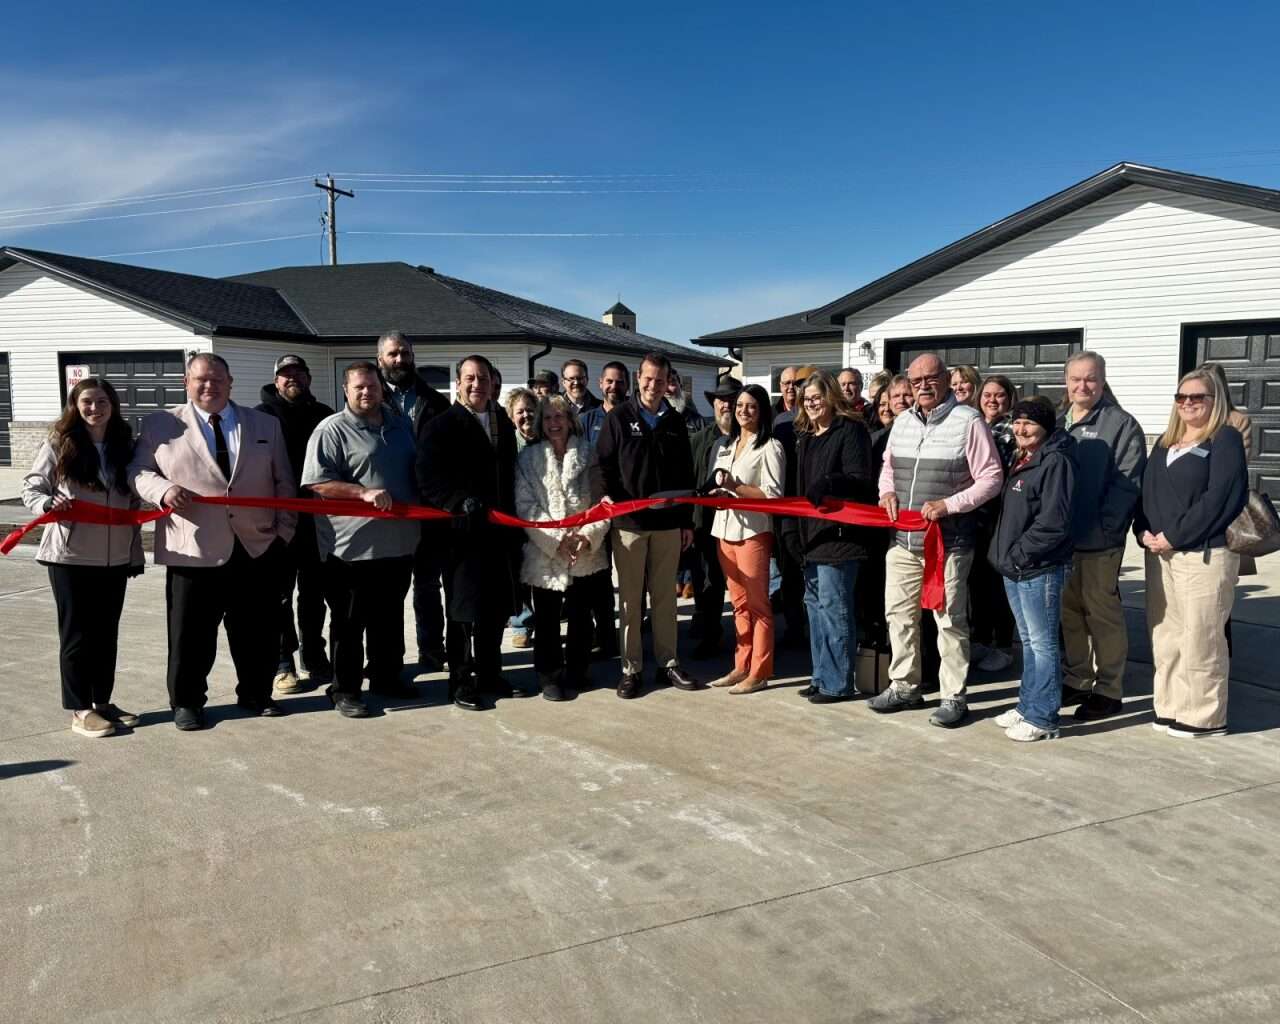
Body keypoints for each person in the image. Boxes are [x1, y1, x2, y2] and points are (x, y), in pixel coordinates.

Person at [129, 353, 296, 730]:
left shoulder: (264, 423)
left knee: (258, 631)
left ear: (230, 382)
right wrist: (163, 489)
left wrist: (283, 532)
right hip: (194, 549)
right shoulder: (162, 425)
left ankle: (256, 693)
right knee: (191, 635)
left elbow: (284, 480)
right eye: (201, 379)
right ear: (187, 383)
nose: (210, 385)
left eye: (218, 379)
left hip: (255, 545)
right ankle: (187, 702)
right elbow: (136, 470)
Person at [868, 353, 1003, 728]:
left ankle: (953, 696)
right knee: (899, 616)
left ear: (945, 379)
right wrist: (886, 494)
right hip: (903, 540)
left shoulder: (968, 420)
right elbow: (888, 470)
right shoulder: (903, 423)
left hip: (949, 541)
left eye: (931, 378)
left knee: (949, 621)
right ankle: (904, 686)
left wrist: (950, 505)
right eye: (916, 381)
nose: (923, 386)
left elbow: (991, 478)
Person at [23, 377, 144, 738]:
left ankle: (102, 701)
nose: (95, 408)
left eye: (102, 401)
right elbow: (32, 486)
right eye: (87, 402)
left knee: (107, 634)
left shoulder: (126, 445)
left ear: (113, 405)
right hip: (70, 555)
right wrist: (47, 504)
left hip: (114, 556)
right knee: (76, 635)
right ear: (75, 406)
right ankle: (79, 709)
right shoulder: (60, 443)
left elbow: (134, 494)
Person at [301, 362, 419, 717]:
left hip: (398, 544)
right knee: (349, 623)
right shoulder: (331, 430)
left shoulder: (401, 425)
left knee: (389, 617)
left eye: (372, 386)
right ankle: (344, 689)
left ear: (382, 388)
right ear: (346, 391)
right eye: (359, 388)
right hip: (350, 548)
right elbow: (316, 483)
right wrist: (361, 493)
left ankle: (386, 676)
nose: (367, 392)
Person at [1136, 368, 1248, 738]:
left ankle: (1204, 716)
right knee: (1166, 635)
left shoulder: (1224, 439)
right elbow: (1146, 492)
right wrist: (1143, 530)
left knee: (1201, 636)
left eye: (1197, 397)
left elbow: (1219, 498)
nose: (1188, 404)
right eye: (1181, 397)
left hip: (1203, 554)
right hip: (1160, 554)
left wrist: (1176, 535)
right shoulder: (1166, 442)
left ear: (1215, 401)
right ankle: (1169, 707)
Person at [591, 351, 702, 698]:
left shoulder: (675, 421)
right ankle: (631, 668)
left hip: (668, 524)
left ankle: (668, 663)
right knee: (630, 600)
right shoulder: (619, 418)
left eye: (660, 380)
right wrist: (604, 495)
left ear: (669, 381)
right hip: (629, 525)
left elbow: (686, 473)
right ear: (639, 378)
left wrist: (686, 522)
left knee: (666, 598)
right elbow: (601, 465)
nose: (654, 386)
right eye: (648, 379)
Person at [418, 355, 523, 711]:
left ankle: (491, 673)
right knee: (463, 612)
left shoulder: (503, 423)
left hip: (499, 534)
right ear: (458, 384)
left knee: (494, 610)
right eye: (469, 378)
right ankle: (461, 681)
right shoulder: (441, 425)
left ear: (493, 383)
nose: (477, 384)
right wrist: (458, 502)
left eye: (483, 378)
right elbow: (428, 479)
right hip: (461, 535)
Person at [1058, 351, 1147, 722]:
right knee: (1070, 614)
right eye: (1076, 379)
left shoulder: (1121, 425)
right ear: (1067, 382)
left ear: (1103, 380)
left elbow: (1128, 485)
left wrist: (1107, 529)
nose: (1083, 386)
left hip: (1099, 544)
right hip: (1061, 542)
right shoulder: (1060, 421)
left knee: (1103, 615)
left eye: (1091, 379)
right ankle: (1078, 678)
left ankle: (1109, 689)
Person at [779, 372, 876, 703]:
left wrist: (831, 482)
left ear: (832, 397)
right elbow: (798, 490)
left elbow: (860, 480)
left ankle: (838, 682)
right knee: (815, 612)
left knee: (836, 612)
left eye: (817, 398)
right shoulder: (806, 437)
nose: (811, 404)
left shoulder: (851, 430)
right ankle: (821, 675)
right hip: (811, 538)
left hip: (840, 537)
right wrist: (792, 530)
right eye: (806, 400)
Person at [987, 398, 1077, 741]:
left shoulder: (1056, 461)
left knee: (1043, 645)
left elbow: (1054, 522)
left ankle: (1044, 717)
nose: (1021, 430)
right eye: (1017, 423)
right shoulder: (1023, 457)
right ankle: (1028, 704)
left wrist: (1020, 554)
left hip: (1038, 567)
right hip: (1016, 566)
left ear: (1046, 427)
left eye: (1029, 424)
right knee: (1027, 641)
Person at [515, 395, 611, 701]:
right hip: (545, 553)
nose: (554, 424)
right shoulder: (528, 459)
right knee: (546, 620)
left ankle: (578, 669)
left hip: (585, 550)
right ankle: (549, 676)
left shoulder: (589, 454)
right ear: (540, 424)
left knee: (582, 616)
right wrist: (556, 540)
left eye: (560, 417)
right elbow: (525, 506)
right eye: (547, 418)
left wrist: (586, 536)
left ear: (571, 420)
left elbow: (602, 503)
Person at [255, 354, 336, 695]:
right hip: (276, 521)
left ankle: (314, 656)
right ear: (276, 381)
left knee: (315, 595)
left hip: (317, 522)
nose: (293, 380)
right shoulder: (259, 418)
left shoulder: (324, 416)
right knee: (279, 597)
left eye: (298, 374)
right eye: (286, 375)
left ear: (308, 378)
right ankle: (282, 663)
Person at [375, 330, 451, 670]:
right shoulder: (370, 401)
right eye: (393, 354)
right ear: (381, 360)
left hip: (428, 508)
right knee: (386, 592)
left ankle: (432, 648)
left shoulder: (435, 402)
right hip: (387, 510)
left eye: (404, 353)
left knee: (427, 586)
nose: (400, 360)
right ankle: (385, 657)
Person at [709, 384, 785, 694]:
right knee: (738, 605)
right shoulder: (727, 444)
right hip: (724, 530)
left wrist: (737, 486)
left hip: (752, 532)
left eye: (751, 406)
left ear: (762, 410)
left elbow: (773, 494)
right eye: (739, 404)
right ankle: (741, 665)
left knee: (758, 606)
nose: (743, 410)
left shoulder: (770, 447)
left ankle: (760, 670)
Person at [968, 374, 1019, 673]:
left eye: (999, 395)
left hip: (1001, 514)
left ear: (1009, 398)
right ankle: (982, 639)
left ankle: (1002, 646)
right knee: (978, 582)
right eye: (987, 394)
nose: (992, 399)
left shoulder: (1013, 429)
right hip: (975, 516)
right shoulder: (976, 425)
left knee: (998, 583)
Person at [688, 379, 739, 658]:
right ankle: (711, 634)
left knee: (744, 586)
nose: (726, 404)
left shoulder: (750, 439)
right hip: (705, 524)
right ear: (713, 404)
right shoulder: (698, 440)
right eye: (721, 399)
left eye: (731, 399)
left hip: (741, 524)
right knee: (708, 584)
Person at [506, 387, 540, 650]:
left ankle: (547, 621)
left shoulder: (547, 442)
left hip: (544, 520)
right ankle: (522, 622)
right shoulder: (506, 443)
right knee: (519, 574)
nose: (526, 416)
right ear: (511, 415)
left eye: (530, 410)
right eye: (520, 411)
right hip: (515, 519)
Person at [579, 361, 629, 449]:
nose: (614, 386)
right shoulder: (587, 420)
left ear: (627, 385)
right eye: (609, 381)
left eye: (619, 382)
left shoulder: (638, 418)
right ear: (600, 383)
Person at [666, 368, 705, 434]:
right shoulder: (651, 420)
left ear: (680, 387)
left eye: (672, 383)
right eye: (662, 384)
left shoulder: (697, 421)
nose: (667, 389)